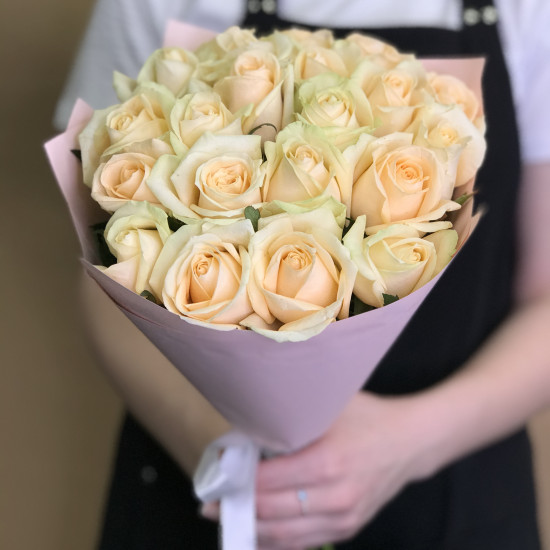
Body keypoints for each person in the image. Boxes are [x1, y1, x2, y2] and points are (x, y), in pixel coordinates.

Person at [56, 0, 550, 548]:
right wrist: (223, 451)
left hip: (456, 478)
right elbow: (104, 278)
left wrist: (406, 444)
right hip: (206, 473)